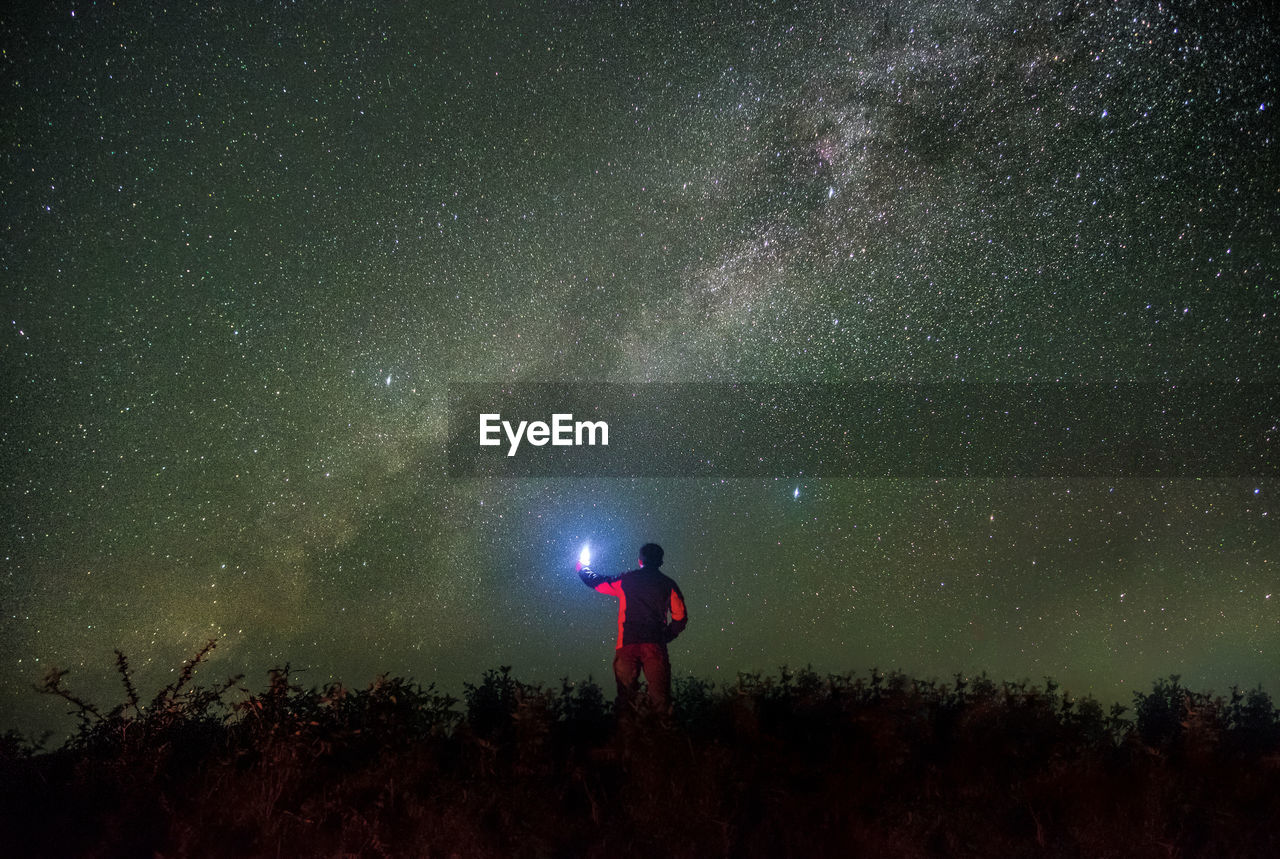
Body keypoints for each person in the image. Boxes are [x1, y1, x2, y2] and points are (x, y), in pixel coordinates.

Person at [577, 542, 687, 714]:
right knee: (661, 699)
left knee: (626, 698)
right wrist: (666, 636)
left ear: (640, 560)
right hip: (655, 646)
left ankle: (627, 735)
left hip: (627, 645)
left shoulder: (627, 580)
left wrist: (582, 568)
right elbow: (680, 618)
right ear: (661, 562)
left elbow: (598, 582)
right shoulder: (668, 584)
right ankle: (662, 736)